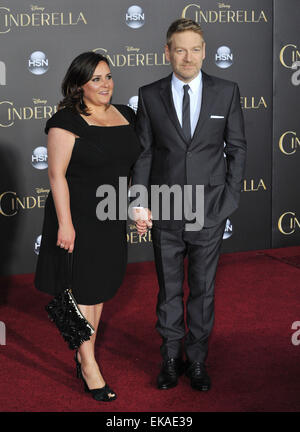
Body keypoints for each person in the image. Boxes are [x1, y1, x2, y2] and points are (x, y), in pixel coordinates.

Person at [132, 18, 247, 391]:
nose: (188, 57)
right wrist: (138, 201)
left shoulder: (226, 91)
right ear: (167, 52)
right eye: (179, 49)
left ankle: (196, 360)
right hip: (164, 210)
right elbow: (145, 154)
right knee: (168, 290)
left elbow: (237, 149)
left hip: (210, 210)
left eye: (195, 49)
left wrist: (228, 200)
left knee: (202, 289)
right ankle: (169, 358)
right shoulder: (149, 95)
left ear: (204, 51)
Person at [35, 52, 141, 401]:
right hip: (77, 217)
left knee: (97, 291)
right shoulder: (65, 121)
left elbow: (133, 167)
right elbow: (56, 175)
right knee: (80, 291)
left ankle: (84, 355)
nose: (105, 84)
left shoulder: (126, 115)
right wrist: (65, 225)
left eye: (108, 77)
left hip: (109, 216)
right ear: (79, 84)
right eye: (96, 78)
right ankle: (88, 363)